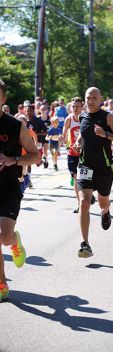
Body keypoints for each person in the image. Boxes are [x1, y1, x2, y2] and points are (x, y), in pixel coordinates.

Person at [73, 87, 113, 258]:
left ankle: (105, 212)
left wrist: (106, 134)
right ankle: (85, 244)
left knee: (103, 201)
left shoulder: (107, 117)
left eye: (94, 97)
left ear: (101, 99)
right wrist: (78, 142)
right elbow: (83, 135)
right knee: (84, 202)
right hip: (85, 166)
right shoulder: (82, 115)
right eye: (88, 97)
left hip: (104, 167)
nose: (91, 100)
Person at [0, 79, 39, 302]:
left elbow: (35, 155)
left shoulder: (15, 126)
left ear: (3, 99)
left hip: (8, 188)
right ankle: (2, 284)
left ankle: (14, 241)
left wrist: (12, 159)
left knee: (4, 237)